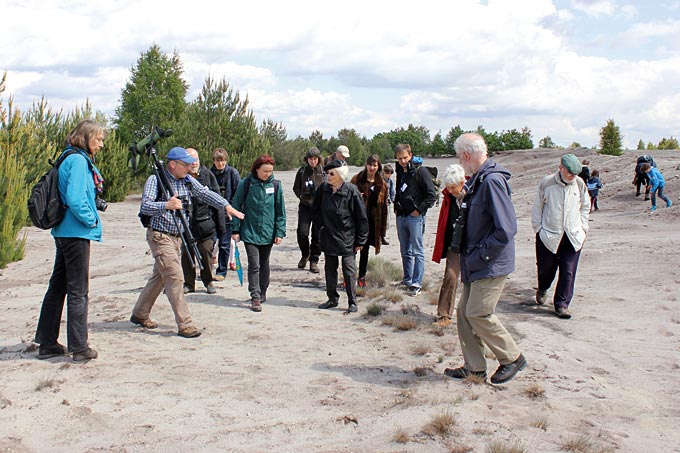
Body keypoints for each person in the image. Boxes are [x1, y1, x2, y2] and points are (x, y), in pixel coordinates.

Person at [131, 147, 244, 338]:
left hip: (178, 237)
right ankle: (185, 324)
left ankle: (140, 314)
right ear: (173, 164)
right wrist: (166, 205)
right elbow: (146, 206)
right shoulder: (155, 180)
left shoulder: (187, 180)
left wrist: (226, 206)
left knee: (159, 277)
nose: (190, 167)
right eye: (186, 164)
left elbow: (206, 193)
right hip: (160, 236)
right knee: (175, 277)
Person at [444, 132, 526, 385]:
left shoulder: (491, 182)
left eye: (460, 157)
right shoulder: (479, 180)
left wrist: (482, 255)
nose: (461, 162)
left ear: (467, 155)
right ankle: (474, 367)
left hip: (490, 263)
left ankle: (512, 358)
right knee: (463, 312)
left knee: (478, 312)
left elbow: (506, 229)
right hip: (477, 262)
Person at [35, 119, 106, 363]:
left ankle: (47, 343)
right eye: (98, 139)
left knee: (58, 287)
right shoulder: (77, 160)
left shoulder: (68, 157)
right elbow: (76, 198)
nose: (101, 144)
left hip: (64, 232)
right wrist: (91, 221)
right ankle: (79, 347)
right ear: (85, 138)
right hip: (76, 233)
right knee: (78, 291)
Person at [532, 153, 589, 319]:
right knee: (546, 269)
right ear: (561, 167)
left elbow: (585, 207)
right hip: (548, 235)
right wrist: (538, 229)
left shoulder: (579, 184)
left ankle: (562, 304)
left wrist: (583, 228)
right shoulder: (547, 182)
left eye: (575, 173)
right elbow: (537, 208)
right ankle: (543, 288)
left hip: (572, 235)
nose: (572, 176)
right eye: (569, 172)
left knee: (568, 271)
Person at [231, 155, 286, 312]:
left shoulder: (276, 185)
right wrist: (235, 229)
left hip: (268, 232)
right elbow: (236, 205)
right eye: (264, 171)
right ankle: (255, 296)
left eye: (270, 171)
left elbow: (280, 212)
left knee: (264, 264)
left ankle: (263, 292)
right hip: (250, 231)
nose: (267, 174)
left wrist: (279, 232)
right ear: (256, 169)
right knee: (254, 264)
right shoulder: (246, 183)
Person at [314, 160, 368, 314]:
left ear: (340, 175)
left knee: (349, 270)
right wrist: (320, 228)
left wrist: (360, 240)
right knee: (330, 268)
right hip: (328, 235)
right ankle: (332, 299)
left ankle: (352, 302)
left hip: (347, 237)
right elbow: (316, 210)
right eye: (327, 173)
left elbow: (362, 218)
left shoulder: (352, 191)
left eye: (332, 173)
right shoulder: (323, 189)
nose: (328, 176)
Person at [393, 143, 437, 296]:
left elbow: (432, 195)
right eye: (400, 159)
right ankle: (407, 279)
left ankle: (416, 283)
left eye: (405, 158)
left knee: (417, 251)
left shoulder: (420, 171)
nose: (403, 161)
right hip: (401, 216)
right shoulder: (400, 171)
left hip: (415, 218)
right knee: (405, 250)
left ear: (410, 155)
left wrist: (419, 210)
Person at [181, 148, 225, 295]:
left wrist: (221, 227)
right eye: (190, 161)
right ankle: (189, 283)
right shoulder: (181, 176)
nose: (193, 163)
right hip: (186, 224)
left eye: (195, 160)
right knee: (187, 255)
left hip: (205, 224)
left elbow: (217, 200)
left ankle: (208, 281)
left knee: (206, 253)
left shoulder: (208, 175)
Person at [431, 164, 466, 328]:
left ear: (462, 182)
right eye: (448, 187)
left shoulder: (473, 194)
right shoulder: (448, 196)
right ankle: (444, 314)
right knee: (450, 277)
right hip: (455, 244)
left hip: (473, 245)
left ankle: (473, 317)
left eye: (453, 187)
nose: (450, 190)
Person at [350, 155, 388, 288]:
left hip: (372, 222)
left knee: (365, 250)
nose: (372, 168)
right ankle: (349, 277)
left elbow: (384, 208)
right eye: (370, 164)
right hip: (356, 221)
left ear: (378, 167)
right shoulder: (356, 179)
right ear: (366, 164)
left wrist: (382, 231)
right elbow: (347, 198)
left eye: (375, 165)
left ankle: (361, 276)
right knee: (351, 250)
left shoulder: (381, 183)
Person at [210, 148, 241, 281]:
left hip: (228, 214)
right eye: (217, 161)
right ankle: (207, 270)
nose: (220, 164)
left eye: (222, 161)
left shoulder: (233, 173)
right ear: (214, 161)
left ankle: (221, 271)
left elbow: (238, 193)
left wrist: (233, 210)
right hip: (211, 214)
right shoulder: (209, 174)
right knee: (209, 244)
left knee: (224, 243)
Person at [293, 147, 325, 273]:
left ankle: (314, 261)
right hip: (305, 207)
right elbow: (296, 188)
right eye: (310, 159)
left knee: (317, 235)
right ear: (307, 159)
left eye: (315, 159)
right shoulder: (301, 171)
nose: (313, 161)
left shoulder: (323, 172)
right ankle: (305, 254)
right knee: (302, 233)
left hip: (318, 208)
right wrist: (301, 197)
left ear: (318, 159)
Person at [382, 164, 396, 245]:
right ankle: (379, 237)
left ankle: (383, 236)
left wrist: (394, 201)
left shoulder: (390, 181)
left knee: (386, 221)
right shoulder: (379, 180)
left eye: (390, 173)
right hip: (380, 204)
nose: (389, 175)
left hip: (388, 203)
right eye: (388, 173)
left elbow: (392, 192)